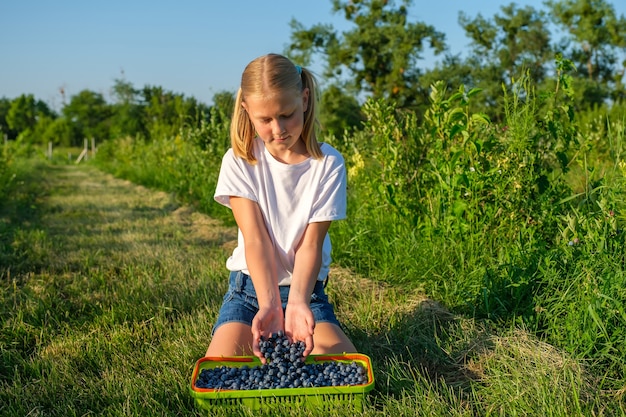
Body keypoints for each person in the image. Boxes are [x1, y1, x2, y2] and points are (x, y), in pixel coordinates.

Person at [205, 53, 356, 362]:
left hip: (306, 293)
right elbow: (256, 240)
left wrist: (297, 302)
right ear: (247, 111)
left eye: (287, 114)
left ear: (304, 99)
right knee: (222, 370)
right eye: (265, 120)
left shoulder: (328, 164)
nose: (279, 129)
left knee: (343, 369)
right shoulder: (238, 161)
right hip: (250, 293)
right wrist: (270, 305)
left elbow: (310, 244)